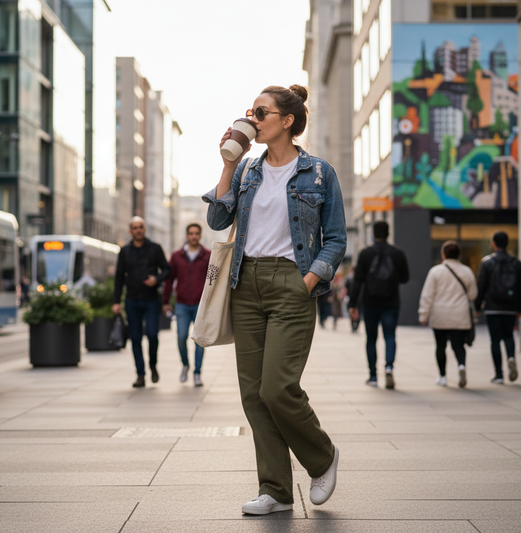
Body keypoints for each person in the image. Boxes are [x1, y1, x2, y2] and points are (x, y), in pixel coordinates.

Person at [203, 85, 346, 516]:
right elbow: (216, 218)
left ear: (287, 120)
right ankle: (277, 491)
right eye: (251, 112)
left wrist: (305, 282)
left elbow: (336, 238)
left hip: (291, 283)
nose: (254, 118)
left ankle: (322, 458)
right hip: (245, 284)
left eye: (261, 112)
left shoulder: (319, 173)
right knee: (252, 393)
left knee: (277, 388)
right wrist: (228, 165)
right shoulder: (247, 170)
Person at [347, 221, 410, 389]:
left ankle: (373, 376)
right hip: (392, 302)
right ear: (388, 233)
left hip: (370, 302)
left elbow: (357, 280)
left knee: (371, 339)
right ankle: (389, 368)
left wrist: (353, 304)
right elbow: (405, 278)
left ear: (373, 234)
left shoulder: (366, 254)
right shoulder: (398, 253)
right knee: (390, 336)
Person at [112, 217, 171, 389]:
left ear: (144, 229)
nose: (138, 230)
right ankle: (140, 374)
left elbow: (167, 269)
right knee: (136, 338)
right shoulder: (125, 251)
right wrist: (116, 302)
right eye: (135, 228)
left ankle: (152, 364)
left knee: (153, 335)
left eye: (141, 227)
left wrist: (157, 279)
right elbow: (118, 278)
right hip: (132, 300)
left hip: (151, 299)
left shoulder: (155, 248)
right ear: (131, 231)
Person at [418, 241, 477, 388]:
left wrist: (423, 315)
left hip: (440, 315)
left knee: (440, 346)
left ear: (443, 254)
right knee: (458, 345)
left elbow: (427, 295)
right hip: (459, 314)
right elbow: (473, 294)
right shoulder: (467, 271)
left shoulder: (436, 272)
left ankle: (443, 376)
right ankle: (461, 366)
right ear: (459, 254)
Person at [474, 231, 521, 384]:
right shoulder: (516, 262)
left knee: (495, 340)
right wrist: (520, 308)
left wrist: (478, 306)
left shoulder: (487, 262)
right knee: (509, 336)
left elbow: (481, 286)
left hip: (492, 307)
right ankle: (511, 357)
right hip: (510, 307)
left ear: (494, 243)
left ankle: (498, 374)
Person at [162, 223, 210, 387]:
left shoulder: (207, 255)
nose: (194, 236)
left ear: (200, 235)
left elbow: (213, 281)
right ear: (187, 235)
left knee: (200, 341)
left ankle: (197, 373)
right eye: (191, 233)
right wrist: (166, 301)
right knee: (181, 337)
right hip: (182, 304)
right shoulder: (177, 256)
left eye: (196, 233)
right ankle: (185, 365)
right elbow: (169, 280)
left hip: (200, 305)